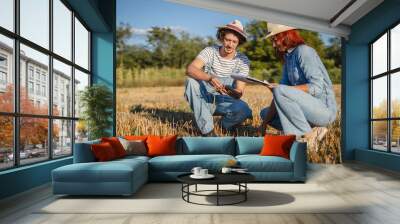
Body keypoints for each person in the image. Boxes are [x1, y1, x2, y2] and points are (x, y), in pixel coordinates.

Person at [260, 23, 337, 145]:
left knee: (280, 89)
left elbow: (317, 88)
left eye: (275, 40)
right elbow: (280, 93)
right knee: (265, 114)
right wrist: (263, 124)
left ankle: (304, 138)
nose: (273, 44)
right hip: (307, 112)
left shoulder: (304, 51)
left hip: (324, 111)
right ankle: (313, 131)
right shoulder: (288, 58)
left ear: (285, 36)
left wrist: (283, 89)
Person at [184, 20, 252, 136]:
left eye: (234, 42)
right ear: (222, 38)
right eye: (227, 40)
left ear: (239, 42)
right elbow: (190, 69)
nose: (230, 45)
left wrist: (230, 90)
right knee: (190, 81)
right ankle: (208, 131)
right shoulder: (210, 51)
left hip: (224, 101)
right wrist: (209, 78)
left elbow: (239, 92)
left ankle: (223, 126)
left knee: (244, 109)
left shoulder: (243, 60)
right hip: (204, 98)